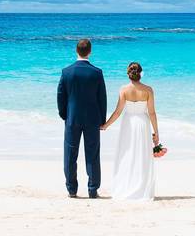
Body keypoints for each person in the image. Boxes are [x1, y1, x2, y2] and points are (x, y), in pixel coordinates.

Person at [57, 38, 108, 198]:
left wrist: (64, 114)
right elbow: (102, 98)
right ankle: (93, 189)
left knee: (70, 153)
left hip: (72, 118)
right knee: (92, 154)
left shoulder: (66, 72)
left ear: (76, 51)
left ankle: (72, 190)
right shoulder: (97, 72)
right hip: (93, 118)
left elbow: (60, 96)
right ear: (90, 52)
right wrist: (102, 119)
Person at [100, 61, 158, 201]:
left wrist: (106, 125)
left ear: (129, 74)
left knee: (126, 155)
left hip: (128, 124)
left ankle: (126, 186)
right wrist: (156, 133)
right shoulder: (148, 90)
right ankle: (141, 188)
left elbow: (118, 112)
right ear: (140, 74)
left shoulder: (123, 89)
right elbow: (152, 113)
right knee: (142, 156)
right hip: (143, 124)